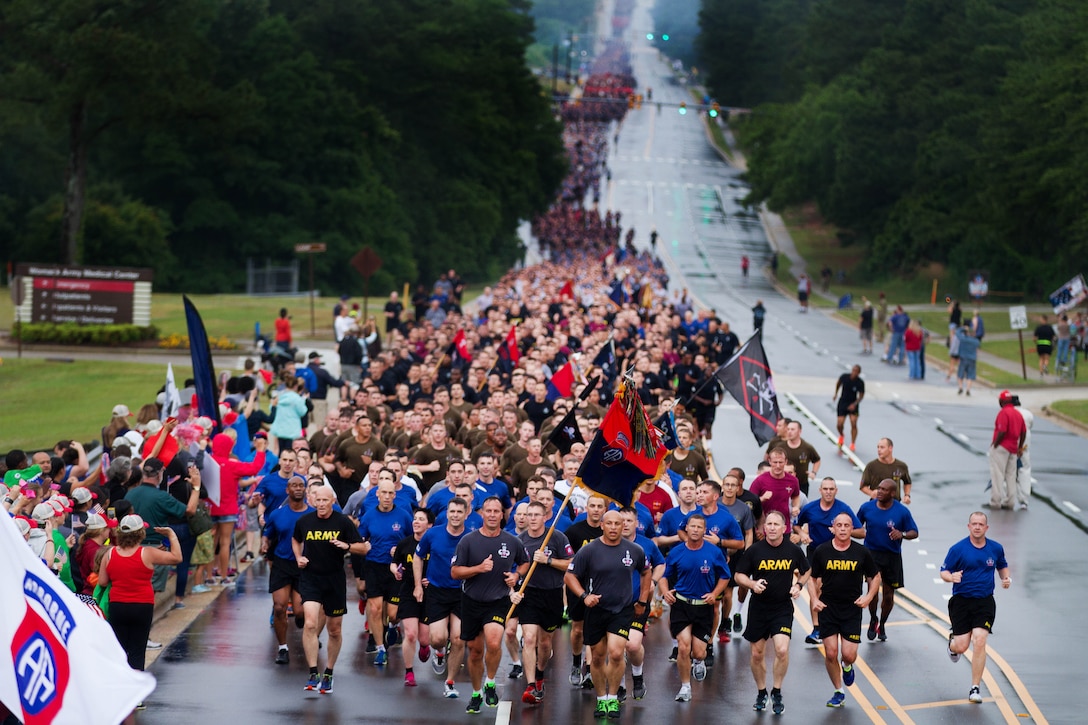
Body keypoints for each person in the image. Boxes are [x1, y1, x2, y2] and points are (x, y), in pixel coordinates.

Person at [564, 509, 651, 721]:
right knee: (598, 656)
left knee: (616, 652)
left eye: (617, 524)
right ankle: (601, 698)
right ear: (602, 525)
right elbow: (570, 575)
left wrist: (642, 600)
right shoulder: (589, 550)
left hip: (622, 609)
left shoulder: (635, 550)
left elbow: (646, 572)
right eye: (609, 523)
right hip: (596, 610)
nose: (613, 527)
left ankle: (613, 697)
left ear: (624, 526)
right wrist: (584, 596)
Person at [451, 497, 530, 714]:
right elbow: (456, 572)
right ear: (482, 514)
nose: (493, 514)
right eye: (489, 511)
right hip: (472, 601)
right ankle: (477, 693)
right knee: (475, 652)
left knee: (494, 643)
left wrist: (516, 575)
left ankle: (491, 682)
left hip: (498, 601)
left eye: (497, 511)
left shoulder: (512, 541)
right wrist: (478, 568)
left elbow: (525, 561)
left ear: (502, 515)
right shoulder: (468, 541)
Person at [731, 510, 810, 715]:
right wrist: (752, 584)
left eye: (777, 524)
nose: (772, 527)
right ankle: (761, 692)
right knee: (757, 654)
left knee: (781, 650)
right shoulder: (755, 551)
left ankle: (776, 690)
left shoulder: (792, 550)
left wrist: (799, 585)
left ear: (784, 529)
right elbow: (739, 575)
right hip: (759, 608)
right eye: (769, 524)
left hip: (782, 607)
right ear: (764, 528)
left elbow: (807, 569)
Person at [292, 484, 368, 694]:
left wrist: (347, 546)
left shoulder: (342, 522)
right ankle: (313, 671)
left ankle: (329, 673)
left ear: (333, 501)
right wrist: (299, 557)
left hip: (334, 580)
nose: (322, 504)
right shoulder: (305, 521)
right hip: (311, 578)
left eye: (326, 500)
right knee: (309, 623)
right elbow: (296, 539)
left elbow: (362, 547)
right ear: (313, 501)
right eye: (318, 500)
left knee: (334, 630)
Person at [809, 513, 881, 708]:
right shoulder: (822, 551)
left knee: (848, 655)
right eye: (838, 525)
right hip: (828, 607)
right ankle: (838, 691)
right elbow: (811, 577)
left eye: (846, 526)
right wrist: (814, 599)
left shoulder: (862, 552)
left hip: (852, 608)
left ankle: (847, 666)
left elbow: (875, 577)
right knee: (831, 653)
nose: (842, 529)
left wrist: (868, 597)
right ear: (832, 528)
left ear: (852, 529)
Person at [659, 513, 731, 703]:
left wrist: (714, 594)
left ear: (704, 530)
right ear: (687, 528)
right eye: (693, 526)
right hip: (681, 604)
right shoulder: (676, 552)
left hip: (703, 607)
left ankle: (699, 661)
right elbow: (664, 576)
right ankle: (685, 687)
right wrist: (665, 592)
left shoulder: (714, 552)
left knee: (698, 651)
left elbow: (725, 577)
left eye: (700, 527)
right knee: (684, 647)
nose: (696, 530)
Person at [98, 515, 183, 674]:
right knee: (138, 650)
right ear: (141, 533)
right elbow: (177, 557)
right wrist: (171, 535)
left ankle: (120, 687)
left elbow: (102, 581)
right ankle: (137, 694)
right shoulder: (148, 553)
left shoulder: (109, 554)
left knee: (120, 649)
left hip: (118, 606)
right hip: (142, 606)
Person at [940, 512, 1010, 704]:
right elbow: (944, 571)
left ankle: (975, 688)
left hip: (985, 602)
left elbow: (1002, 566)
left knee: (980, 640)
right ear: (968, 526)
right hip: (961, 601)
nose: (977, 527)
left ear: (986, 528)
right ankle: (952, 645)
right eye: (974, 524)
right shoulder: (958, 549)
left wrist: (1005, 578)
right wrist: (951, 577)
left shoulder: (995, 548)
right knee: (962, 646)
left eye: (981, 524)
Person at [515, 501, 574, 705]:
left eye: (536, 515)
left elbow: (570, 563)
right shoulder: (520, 540)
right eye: (529, 514)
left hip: (552, 594)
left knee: (545, 643)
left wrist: (548, 561)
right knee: (529, 639)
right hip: (529, 594)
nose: (531, 518)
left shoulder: (556, 537)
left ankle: (540, 674)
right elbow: (514, 568)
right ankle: (531, 685)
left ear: (545, 517)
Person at [415, 496, 472, 698]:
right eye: (452, 511)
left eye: (459, 512)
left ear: (467, 513)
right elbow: (418, 556)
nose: (455, 515)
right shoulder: (432, 534)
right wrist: (417, 586)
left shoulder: (470, 537)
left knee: (458, 639)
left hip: (461, 593)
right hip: (437, 591)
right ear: (446, 513)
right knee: (438, 639)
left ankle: (450, 682)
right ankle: (439, 652)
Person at [794, 478, 863, 645]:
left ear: (836, 491)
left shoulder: (843, 509)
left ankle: (834, 623)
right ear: (820, 490)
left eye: (831, 489)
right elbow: (797, 525)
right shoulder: (810, 508)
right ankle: (817, 627)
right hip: (815, 552)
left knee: (828, 588)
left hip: (836, 552)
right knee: (814, 588)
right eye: (825, 488)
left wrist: (842, 531)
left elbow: (861, 532)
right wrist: (803, 534)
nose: (828, 491)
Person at [357, 474, 415, 665]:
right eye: (384, 492)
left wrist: (399, 550)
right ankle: (380, 649)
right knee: (375, 609)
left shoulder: (404, 516)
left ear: (394, 495)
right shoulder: (368, 516)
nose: (388, 496)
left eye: (391, 493)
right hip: (374, 566)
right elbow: (360, 540)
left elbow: (411, 541)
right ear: (377, 494)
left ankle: (392, 626)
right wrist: (364, 546)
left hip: (396, 569)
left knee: (393, 613)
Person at [857, 479, 919, 642]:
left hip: (892, 556)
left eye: (884, 490)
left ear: (892, 493)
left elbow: (914, 531)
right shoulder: (867, 508)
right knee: (872, 591)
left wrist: (902, 534)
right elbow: (856, 526)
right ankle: (872, 619)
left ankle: (882, 623)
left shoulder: (901, 512)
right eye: (878, 488)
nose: (879, 492)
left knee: (889, 596)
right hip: (871, 555)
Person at [261, 475, 312, 665]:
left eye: (301, 485)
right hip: (282, 563)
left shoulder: (313, 514)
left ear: (305, 490)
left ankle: (301, 620)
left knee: (300, 611)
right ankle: (283, 648)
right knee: (280, 607)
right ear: (287, 490)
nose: (298, 488)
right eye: (294, 485)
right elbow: (268, 534)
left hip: (304, 565)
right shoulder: (277, 514)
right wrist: (265, 544)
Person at [564, 494, 606, 688]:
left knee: (594, 630)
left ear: (604, 509)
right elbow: (569, 563)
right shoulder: (574, 531)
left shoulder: (608, 532)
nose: (596, 509)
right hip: (579, 587)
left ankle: (589, 670)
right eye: (593, 506)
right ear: (586, 508)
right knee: (578, 629)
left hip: (601, 587)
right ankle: (575, 662)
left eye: (600, 506)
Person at [390, 507, 434, 686]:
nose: (416, 522)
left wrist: (430, 580)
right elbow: (393, 564)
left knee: (424, 638)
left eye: (421, 519)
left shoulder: (434, 544)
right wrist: (396, 571)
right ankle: (409, 672)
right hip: (408, 591)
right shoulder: (405, 544)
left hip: (429, 594)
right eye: (415, 519)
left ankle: (425, 647)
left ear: (429, 525)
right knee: (410, 634)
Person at [988, 390, 1026, 510]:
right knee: (1011, 475)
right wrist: (1020, 446)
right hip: (1013, 448)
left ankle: (996, 501)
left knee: (998, 474)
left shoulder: (1003, 413)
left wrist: (995, 444)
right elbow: (1023, 431)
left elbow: (1002, 431)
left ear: (1002, 401)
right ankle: (1010, 501)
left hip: (1002, 447)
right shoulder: (1017, 414)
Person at [859, 438, 912, 504]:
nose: (879, 450)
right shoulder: (871, 466)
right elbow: (862, 486)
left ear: (890, 448)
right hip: (877, 504)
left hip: (895, 504)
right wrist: (871, 493)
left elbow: (907, 482)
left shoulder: (901, 466)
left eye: (882, 447)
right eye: (878, 447)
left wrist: (907, 495)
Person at [833, 365, 865, 451]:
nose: (854, 372)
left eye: (856, 371)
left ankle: (852, 443)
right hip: (843, 402)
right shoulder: (844, 377)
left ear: (858, 373)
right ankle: (841, 435)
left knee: (853, 422)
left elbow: (861, 396)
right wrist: (835, 394)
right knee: (839, 424)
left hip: (853, 403)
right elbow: (838, 384)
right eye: (853, 370)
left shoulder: (860, 382)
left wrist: (854, 404)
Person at [1013, 395, 1033, 510]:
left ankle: (1006, 497)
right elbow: (1030, 426)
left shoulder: (1009, 413)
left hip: (1011, 446)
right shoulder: (1028, 414)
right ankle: (1024, 499)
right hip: (1024, 447)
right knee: (1024, 471)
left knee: (1008, 472)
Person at [955, 325, 981, 396]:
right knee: (970, 375)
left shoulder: (964, 339)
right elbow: (978, 348)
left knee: (960, 373)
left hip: (963, 358)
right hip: (972, 359)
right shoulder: (976, 341)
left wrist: (963, 328)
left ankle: (960, 387)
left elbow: (957, 333)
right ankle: (968, 389)